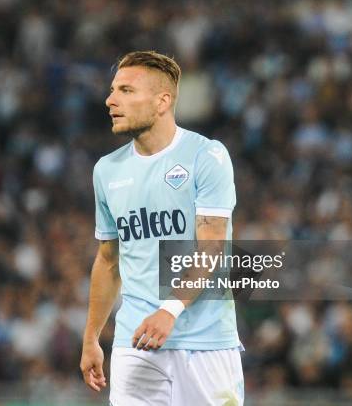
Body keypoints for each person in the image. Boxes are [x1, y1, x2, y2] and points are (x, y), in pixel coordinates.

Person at [80, 51, 244, 405]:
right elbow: (109, 261)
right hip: (134, 342)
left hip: (204, 343)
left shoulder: (207, 156)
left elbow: (212, 248)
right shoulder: (107, 171)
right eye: (112, 90)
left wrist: (169, 311)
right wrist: (92, 337)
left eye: (126, 90)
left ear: (162, 101)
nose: (110, 100)